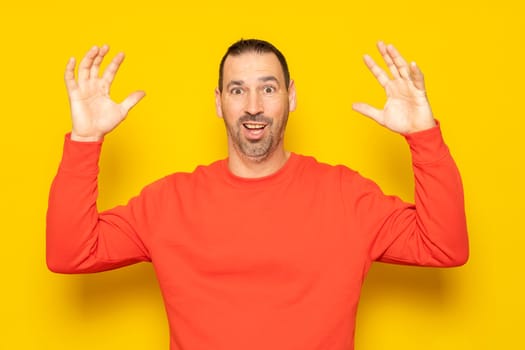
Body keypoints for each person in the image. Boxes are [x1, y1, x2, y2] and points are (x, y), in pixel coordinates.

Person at [47, 39, 469, 350]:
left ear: (291, 97)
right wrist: (86, 139)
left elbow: (444, 247)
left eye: (268, 89)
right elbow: (70, 253)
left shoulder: (346, 195)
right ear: (218, 103)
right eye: (237, 90)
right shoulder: (168, 202)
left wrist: (422, 135)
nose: (253, 106)